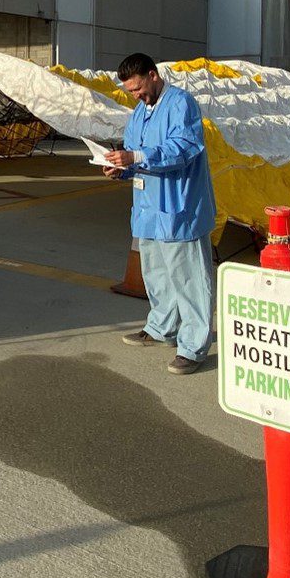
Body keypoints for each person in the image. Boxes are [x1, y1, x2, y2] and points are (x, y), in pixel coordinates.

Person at [103, 52, 217, 374]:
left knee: (189, 278)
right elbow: (135, 158)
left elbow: (183, 148)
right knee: (156, 273)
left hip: (179, 208)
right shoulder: (138, 113)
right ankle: (161, 328)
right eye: (130, 92)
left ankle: (194, 347)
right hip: (148, 209)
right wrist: (119, 169)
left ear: (153, 75)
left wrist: (135, 155)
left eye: (137, 89)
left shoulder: (181, 104)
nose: (135, 96)